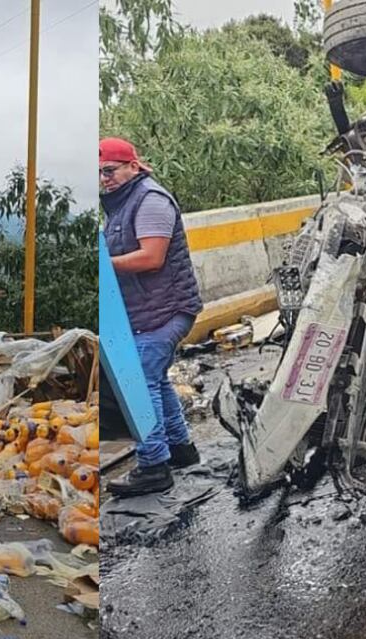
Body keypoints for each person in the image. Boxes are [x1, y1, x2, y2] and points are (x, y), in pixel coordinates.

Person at [100, 137, 204, 496]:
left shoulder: (150, 200)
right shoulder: (121, 204)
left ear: (133, 166)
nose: (104, 179)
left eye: (110, 170)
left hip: (167, 311)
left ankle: (153, 466)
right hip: (149, 312)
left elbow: (151, 257)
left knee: (139, 385)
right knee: (156, 381)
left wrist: (103, 264)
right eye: (99, 173)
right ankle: (182, 449)